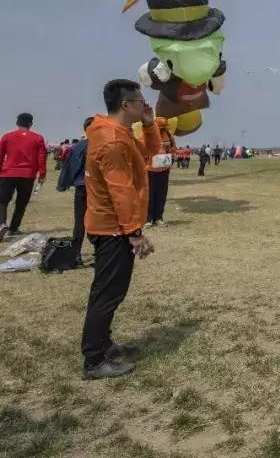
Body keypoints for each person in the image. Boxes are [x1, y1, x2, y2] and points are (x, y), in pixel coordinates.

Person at [82, 79, 159, 380]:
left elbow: (150, 155)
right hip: (113, 228)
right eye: (141, 101)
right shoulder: (112, 140)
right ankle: (94, 360)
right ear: (126, 104)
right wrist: (135, 232)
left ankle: (103, 344)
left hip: (113, 226)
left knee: (107, 291)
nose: (145, 105)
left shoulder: (117, 133)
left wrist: (150, 125)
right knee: (108, 294)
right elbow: (120, 190)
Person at [0, 113, 48, 240]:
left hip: (8, 173)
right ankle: (13, 228)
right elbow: (42, 157)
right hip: (28, 175)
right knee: (21, 203)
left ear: (17, 123)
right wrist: (42, 174)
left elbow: (0, 155)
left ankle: (1, 224)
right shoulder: (38, 138)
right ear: (31, 124)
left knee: (2, 201)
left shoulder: (7, 136)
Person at [56, 118, 95, 266]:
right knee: (100, 221)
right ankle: (100, 253)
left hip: (81, 187)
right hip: (99, 189)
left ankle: (76, 255)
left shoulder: (78, 146)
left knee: (80, 222)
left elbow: (69, 167)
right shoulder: (104, 144)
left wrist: (62, 185)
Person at [146, 117, 176, 228]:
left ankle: (159, 217)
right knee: (150, 194)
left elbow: (174, 149)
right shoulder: (147, 134)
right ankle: (148, 219)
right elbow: (140, 148)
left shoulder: (169, 135)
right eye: (160, 128)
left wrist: (169, 152)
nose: (162, 130)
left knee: (162, 194)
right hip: (150, 169)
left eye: (164, 128)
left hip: (164, 169)